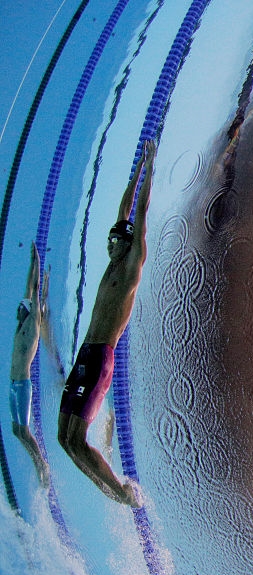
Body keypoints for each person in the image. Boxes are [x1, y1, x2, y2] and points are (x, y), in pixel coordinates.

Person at [57, 139, 156, 508]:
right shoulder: (110, 266)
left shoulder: (130, 268)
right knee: (63, 439)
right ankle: (106, 489)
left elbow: (138, 216)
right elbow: (123, 209)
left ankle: (121, 493)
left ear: (126, 244)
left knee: (78, 439)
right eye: (110, 239)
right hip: (86, 353)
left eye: (116, 239)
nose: (111, 244)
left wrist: (149, 165)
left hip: (101, 358)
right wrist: (134, 174)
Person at [10, 243, 51, 488]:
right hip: (13, 384)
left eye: (20, 308)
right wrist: (31, 263)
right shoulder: (20, 327)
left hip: (23, 384)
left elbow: (33, 289)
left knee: (24, 432)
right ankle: (38, 462)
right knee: (16, 431)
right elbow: (29, 288)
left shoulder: (33, 322)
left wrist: (36, 261)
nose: (17, 310)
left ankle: (41, 465)